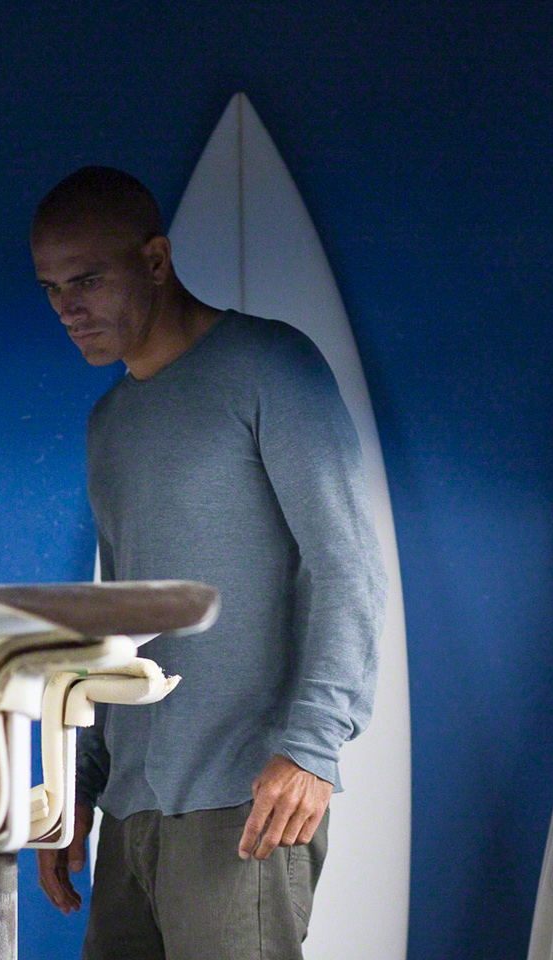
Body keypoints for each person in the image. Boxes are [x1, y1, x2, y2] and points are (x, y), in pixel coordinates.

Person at [31, 166, 386, 960]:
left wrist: (313, 747)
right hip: (132, 809)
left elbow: (345, 564)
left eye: (86, 279)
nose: (66, 308)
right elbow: (117, 620)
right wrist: (80, 790)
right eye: (51, 287)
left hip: (246, 800)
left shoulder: (270, 366)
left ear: (155, 260)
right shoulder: (111, 421)